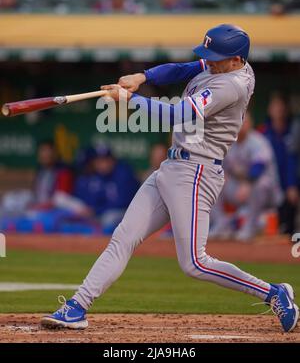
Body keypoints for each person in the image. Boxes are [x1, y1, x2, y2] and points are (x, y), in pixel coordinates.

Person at [41, 24, 299, 333]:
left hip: (196, 173)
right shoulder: (226, 63)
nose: (210, 61)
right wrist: (143, 77)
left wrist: (129, 100)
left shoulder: (232, 85)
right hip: (173, 166)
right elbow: (182, 69)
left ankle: (273, 292)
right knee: (124, 235)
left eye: (217, 57)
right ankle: (76, 306)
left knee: (194, 262)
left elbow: (179, 114)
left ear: (236, 60)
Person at [210, 112, 282, 241]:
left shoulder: (258, 141)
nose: (240, 125)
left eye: (243, 121)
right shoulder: (229, 142)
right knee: (211, 180)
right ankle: (221, 223)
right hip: (239, 187)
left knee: (260, 184)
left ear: (250, 124)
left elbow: (259, 167)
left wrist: (247, 183)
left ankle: (250, 227)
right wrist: (221, 174)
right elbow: (219, 165)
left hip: (265, 190)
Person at [73, 145, 140, 234]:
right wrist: (90, 210)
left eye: (105, 160)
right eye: (99, 161)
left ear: (112, 160)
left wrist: (96, 210)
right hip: (101, 212)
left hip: (124, 212)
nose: (102, 164)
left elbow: (123, 203)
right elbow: (92, 200)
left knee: (109, 218)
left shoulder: (123, 175)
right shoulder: (96, 177)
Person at [259, 94, 299, 235]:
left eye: (281, 106)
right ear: (270, 109)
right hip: (270, 188)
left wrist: (292, 185)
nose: (278, 109)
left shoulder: (293, 131)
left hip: (289, 187)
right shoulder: (263, 133)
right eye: (275, 106)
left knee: (289, 230)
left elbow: (292, 161)